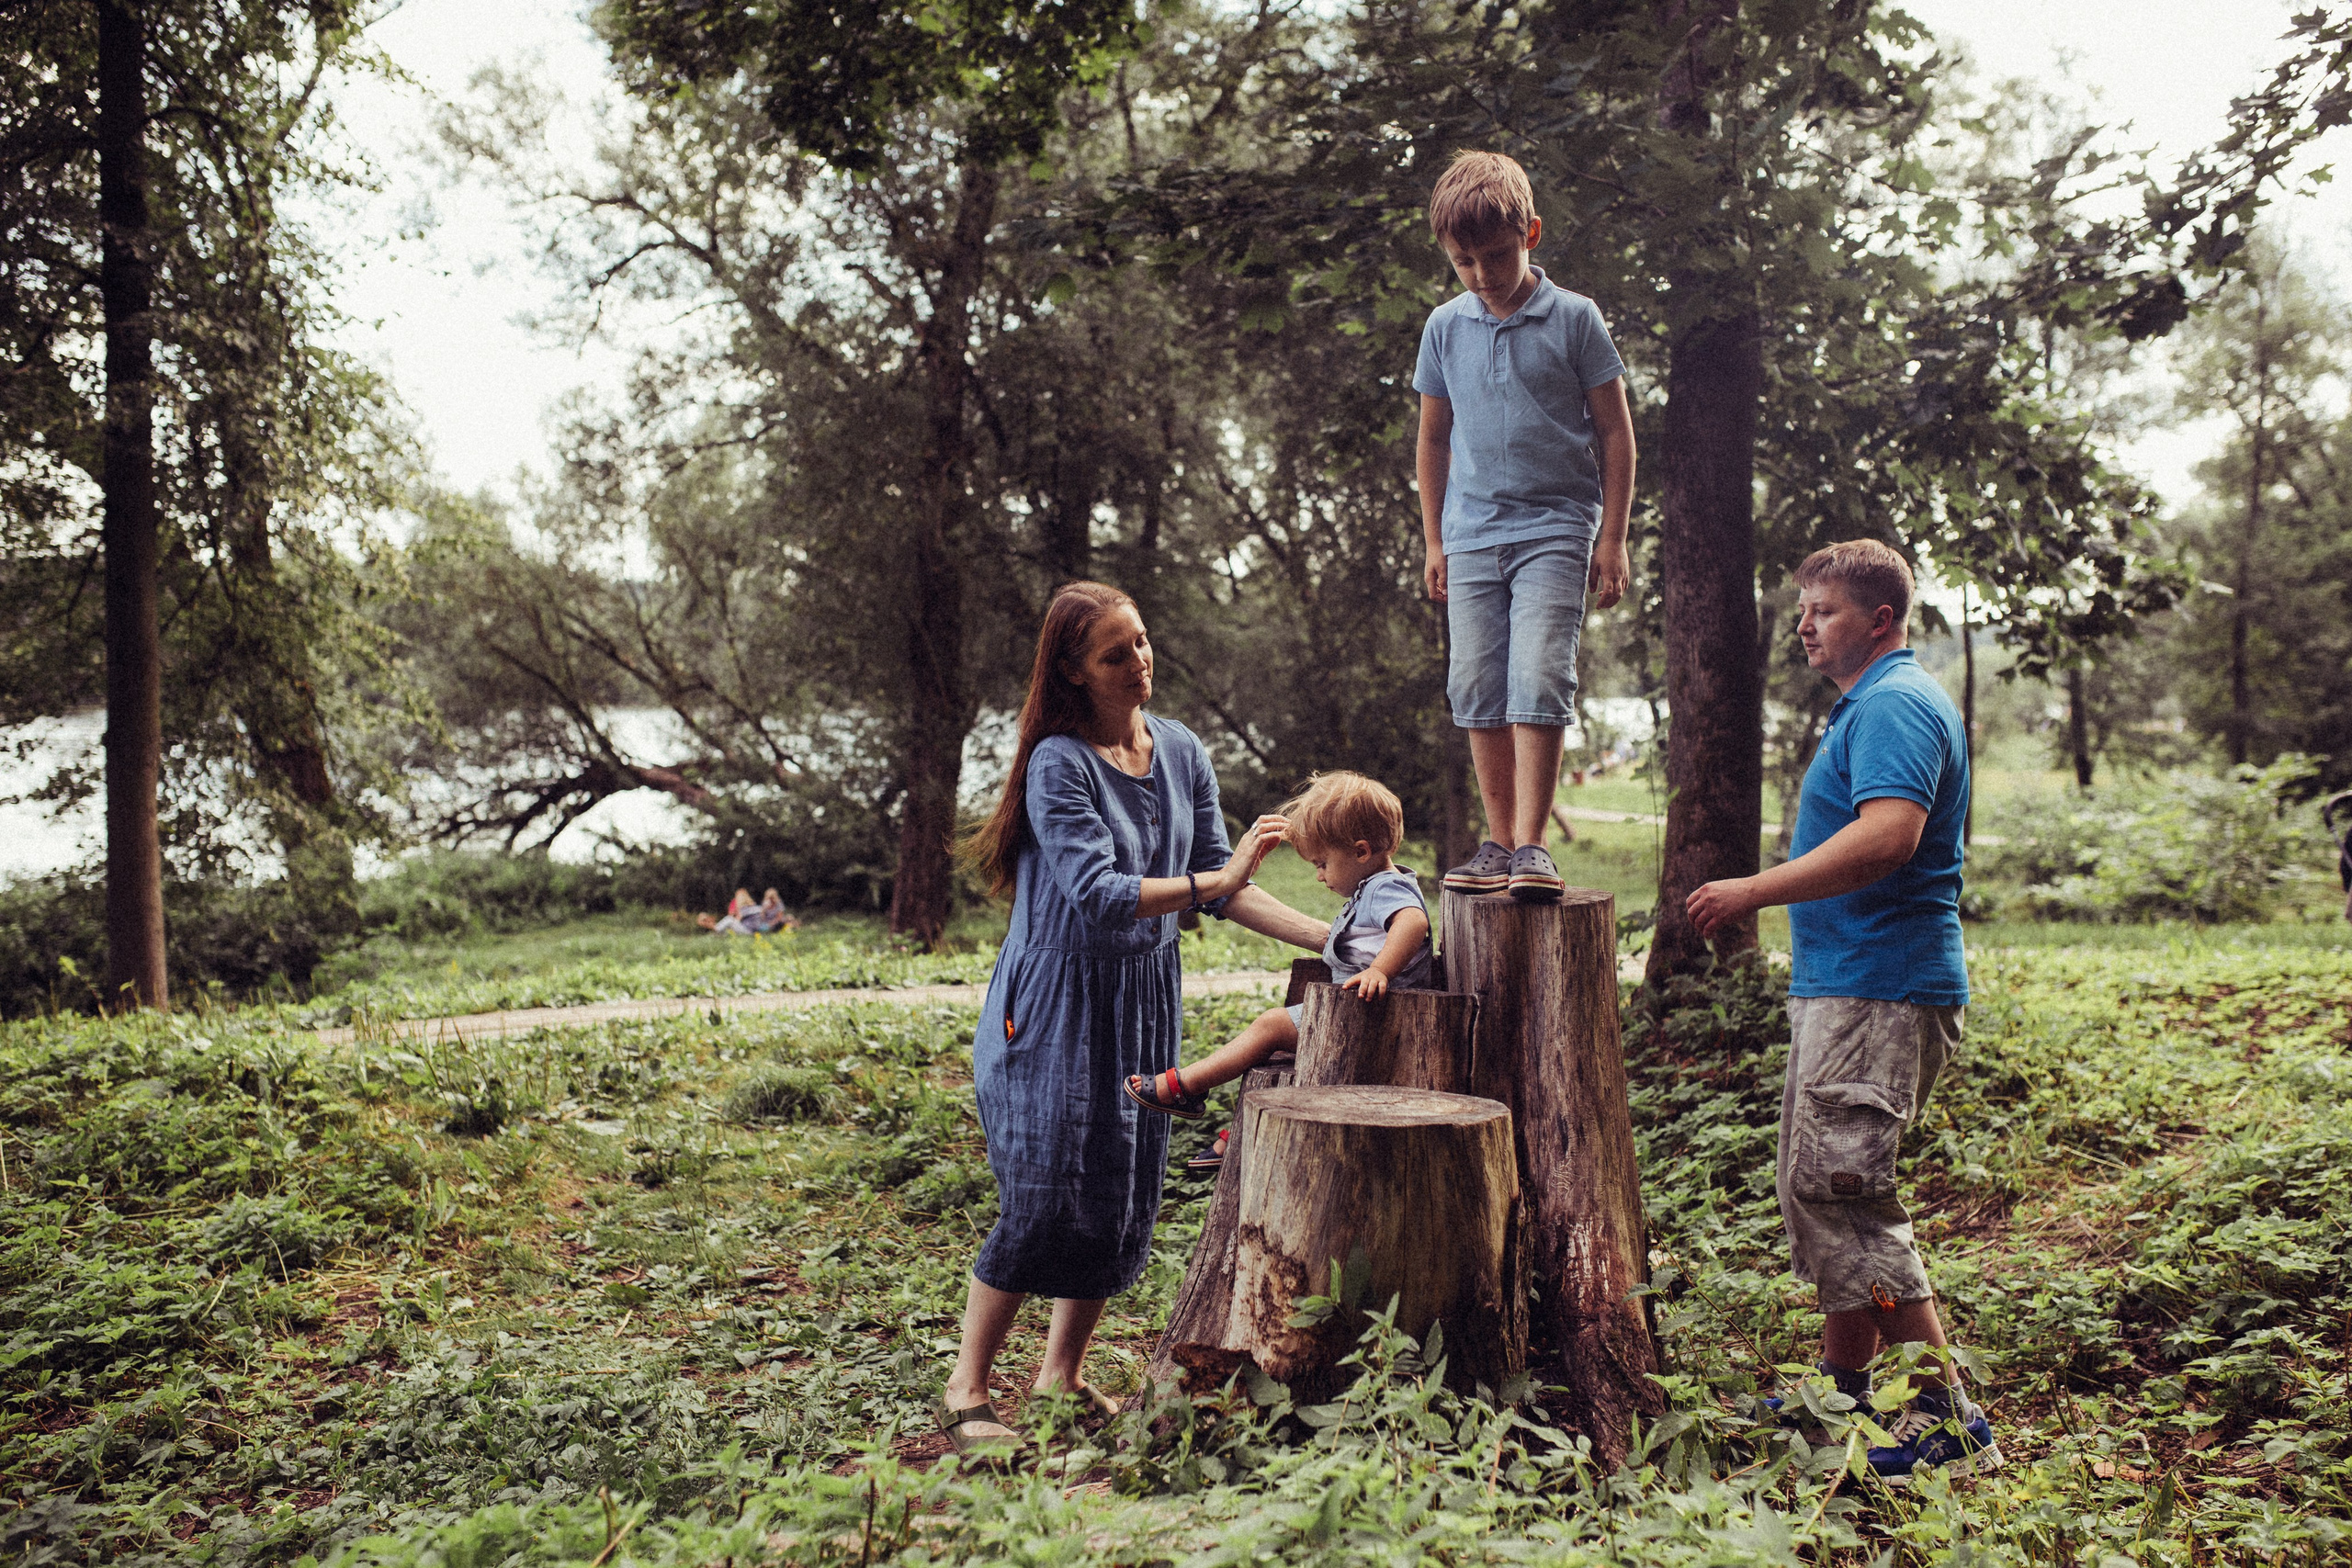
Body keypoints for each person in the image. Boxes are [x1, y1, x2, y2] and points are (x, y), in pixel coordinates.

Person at [939, 581, 1331, 1460]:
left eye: (1143, 641)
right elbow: (1102, 894)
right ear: (1076, 671)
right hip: (1051, 1001)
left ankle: (1060, 1376)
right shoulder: (1057, 763)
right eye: (1116, 652)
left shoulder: (1183, 750)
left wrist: (1329, 936)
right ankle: (966, 1388)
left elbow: (1224, 881)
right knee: (1043, 1196)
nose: (1139, 661)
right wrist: (1213, 884)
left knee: (1121, 1191)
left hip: (1145, 992)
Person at [1685, 539, 2002, 1487]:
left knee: (1842, 1192)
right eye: (1801, 610)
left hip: (1879, 984)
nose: (1803, 625)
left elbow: (1888, 838)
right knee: (1826, 1184)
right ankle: (1841, 1391)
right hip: (1853, 982)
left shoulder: (1897, 702)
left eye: (1820, 610)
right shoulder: (1870, 705)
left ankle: (1951, 1419)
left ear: (1879, 618)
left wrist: (1753, 890)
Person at [1414, 150, 1636, 904]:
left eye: (1496, 255)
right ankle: (1498, 841)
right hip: (1471, 534)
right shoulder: (1444, 329)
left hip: (1556, 527)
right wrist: (1435, 539)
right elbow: (1434, 439)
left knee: (1538, 674)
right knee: (1476, 679)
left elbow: (1615, 433)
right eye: (1463, 261)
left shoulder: (1574, 318)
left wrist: (1612, 537)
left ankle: (1534, 846)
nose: (1481, 272)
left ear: (1531, 232)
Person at [1122, 771, 1433, 1165]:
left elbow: (1413, 922)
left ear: (1360, 851)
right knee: (1286, 1063)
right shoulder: (1373, 886)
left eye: (1322, 863)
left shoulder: (1386, 888)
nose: (1319, 875)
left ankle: (1187, 1085)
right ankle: (1238, 1134)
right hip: (1357, 1015)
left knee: (1270, 1026)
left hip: (1373, 1018)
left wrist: (1380, 971)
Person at [697, 887, 793, 935]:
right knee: (729, 923)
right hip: (752, 929)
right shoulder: (756, 907)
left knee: (730, 920)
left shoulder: (746, 910)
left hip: (748, 931)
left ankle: (716, 928)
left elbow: (737, 920)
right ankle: (717, 929)